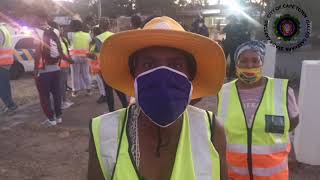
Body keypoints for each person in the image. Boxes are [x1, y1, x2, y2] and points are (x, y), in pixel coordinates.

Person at [88, 16, 228, 180]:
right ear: (134, 75)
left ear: (190, 76)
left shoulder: (211, 131)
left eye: (176, 65)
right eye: (149, 65)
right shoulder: (104, 132)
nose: (163, 76)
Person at [217, 40, 300, 180]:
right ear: (236, 64)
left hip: (273, 176)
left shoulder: (282, 90)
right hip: (234, 176)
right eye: (243, 61)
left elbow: (293, 122)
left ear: (262, 63)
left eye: (255, 60)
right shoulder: (223, 92)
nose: (249, 65)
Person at [32, 13, 64, 126]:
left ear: (37, 18)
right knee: (57, 93)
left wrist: (35, 69)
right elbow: (60, 48)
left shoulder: (35, 32)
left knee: (44, 95)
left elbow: (36, 52)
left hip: (43, 69)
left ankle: (51, 119)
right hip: (56, 67)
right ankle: (58, 116)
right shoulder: (55, 30)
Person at [94, 19, 128, 111]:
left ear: (100, 27)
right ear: (109, 26)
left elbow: (99, 53)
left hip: (106, 66)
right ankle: (126, 106)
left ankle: (111, 110)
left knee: (108, 89)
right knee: (119, 88)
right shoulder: (115, 35)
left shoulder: (98, 38)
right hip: (116, 65)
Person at [67, 20, 92, 97]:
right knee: (86, 73)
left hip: (75, 57)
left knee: (75, 74)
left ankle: (75, 91)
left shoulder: (70, 34)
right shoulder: (87, 35)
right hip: (86, 56)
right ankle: (89, 90)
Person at [0, 23, 18, 115]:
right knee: (4, 86)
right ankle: (10, 105)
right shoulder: (4, 28)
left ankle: (11, 106)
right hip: (6, 61)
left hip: (2, 62)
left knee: (3, 87)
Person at [88, 26, 106, 104]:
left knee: (101, 82)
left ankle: (104, 95)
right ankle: (103, 95)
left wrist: (90, 55)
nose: (90, 34)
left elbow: (98, 53)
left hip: (99, 64)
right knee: (99, 81)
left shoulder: (98, 41)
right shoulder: (93, 41)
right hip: (95, 65)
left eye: (91, 32)